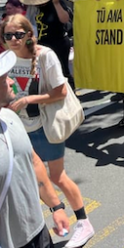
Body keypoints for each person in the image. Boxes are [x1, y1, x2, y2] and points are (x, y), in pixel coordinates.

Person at [1, 15, 95, 247]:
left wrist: (30, 99)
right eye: (8, 35)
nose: (13, 40)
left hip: (44, 127)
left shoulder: (45, 56)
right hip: (17, 128)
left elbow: (61, 92)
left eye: (18, 35)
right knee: (30, 176)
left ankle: (83, 221)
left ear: (29, 34)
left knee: (55, 176)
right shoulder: (6, 61)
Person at [0, 50, 71, 248]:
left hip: (39, 234)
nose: (12, 81)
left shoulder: (11, 117)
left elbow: (33, 161)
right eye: (5, 78)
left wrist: (56, 206)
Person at [19, 0, 73, 83]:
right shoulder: (32, 8)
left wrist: (57, 4)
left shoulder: (55, 2)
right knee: (45, 72)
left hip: (58, 42)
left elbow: (65, 19)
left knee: (62, 70)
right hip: (41, 43)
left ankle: (69, 92)